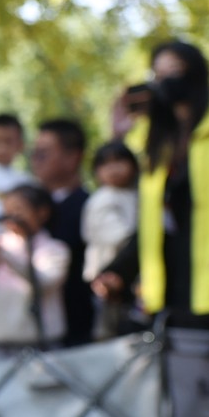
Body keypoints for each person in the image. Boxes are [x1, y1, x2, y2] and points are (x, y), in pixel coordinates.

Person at [97, 39, 209, 320]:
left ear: (196, 72)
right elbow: (152, 222)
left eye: (174, 70)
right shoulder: (159, 145)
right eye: (158, 74)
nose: (165, 81)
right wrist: (119, 270)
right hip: (172, 293)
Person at [0, 185, 71, 349]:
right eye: (6, 211)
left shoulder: (56, 249)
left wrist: (2, 254)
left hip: (40, 341)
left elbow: (44, 283)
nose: (10, 217)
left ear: (42, 213)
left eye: (18, 210)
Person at [31, 118, 94, 347]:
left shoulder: (90, 207)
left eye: (44, 152)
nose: (35, 159)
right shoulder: (29, 209)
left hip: (77, 329)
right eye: (34, 152)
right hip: (30, 331)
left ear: (72, 157)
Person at [82, 142, 140, 338]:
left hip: (129, 274)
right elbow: (118, 237)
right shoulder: (103, 199)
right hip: (106, 275)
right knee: (108, 330)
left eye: (119, 162)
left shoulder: (136, 194)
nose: (113, 169)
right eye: (106, 164)